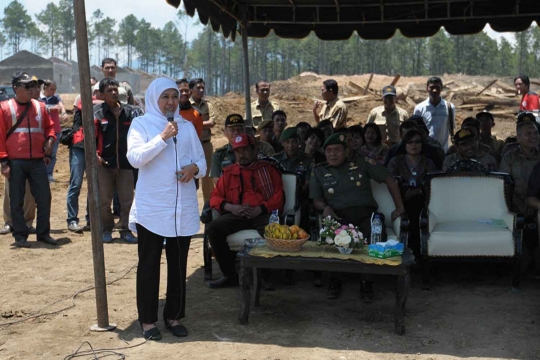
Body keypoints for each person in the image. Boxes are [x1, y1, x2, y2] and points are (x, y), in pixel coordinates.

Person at [127, 77, 206, 340]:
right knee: (149, 264)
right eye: (165, 97)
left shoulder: (187, 126)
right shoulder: (141, 124)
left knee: (179, 264)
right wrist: (162, 137)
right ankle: (148, 321)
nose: (171, 102)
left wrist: (193, 169)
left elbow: (202, 162)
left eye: (174, 96)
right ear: (154, 99)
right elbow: (135, 158)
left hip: (181, 206)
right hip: (152, 208)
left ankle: (173, 315)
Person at [310, 133, 405, 299]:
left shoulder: (362, 162)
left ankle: (367, 282)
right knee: (334, 234)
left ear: (347, 151)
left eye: (337, 150)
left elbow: (390, 180)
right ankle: (335, 280)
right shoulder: (319, 171)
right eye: (329, 150)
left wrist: (400, 208)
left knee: (375, 234)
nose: (332, 154)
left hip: (366, 214)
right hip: (339, 216)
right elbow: (316, 199)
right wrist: (324, 207)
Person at [207, 134, 284, 288]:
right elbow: (214, 198)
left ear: (255, 149)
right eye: (237, 151)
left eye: (245, 150)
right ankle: (230, 275)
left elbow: (279, 197)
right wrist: (231, 208)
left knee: (273, 231)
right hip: (237, 214)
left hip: (262, 213)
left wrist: (260, 209)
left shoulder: (268, 169)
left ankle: (265, 277)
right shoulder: (228, 173)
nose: (241, 154)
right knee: (214, 229)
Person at [0, 72, 57, 248]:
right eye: (27, 86)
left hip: (38, 161)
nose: (31, 89)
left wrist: (50, 142)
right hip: (15, 162)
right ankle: (20, 236)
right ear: (16, 88)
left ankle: (43, 234)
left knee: (44, 197)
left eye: (32, 86)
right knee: (16, 200)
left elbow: (50, 129)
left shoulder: (40, 107)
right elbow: (0, 136)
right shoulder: (4, 108)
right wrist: (3, 162)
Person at [94, 77, 143, 243]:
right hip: (104, 165)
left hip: (125, 164)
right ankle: (106, 229)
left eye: (115, 89)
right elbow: (88, 138)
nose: (114, 93)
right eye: (109, 90)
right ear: (101, 94)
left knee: (127, 200)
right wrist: (96, 156)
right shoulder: (97, 113)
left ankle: (126, 230)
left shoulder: (130, 112)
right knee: (104, 201)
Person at [387, 129, 436, 257]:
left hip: (423, 201)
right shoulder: (396, 162)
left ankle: (417, 255)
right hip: (400, 200)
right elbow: (391, 182)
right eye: (410, 142)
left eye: (417, 142)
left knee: (417, 206)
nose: (414, 145)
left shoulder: (428, 162)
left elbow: (432, 184)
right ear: (404, 144)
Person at [210, 114, 275, 184]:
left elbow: (272, 172)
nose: (236, 132)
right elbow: (218, 182)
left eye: (240, 129)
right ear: (225, 132)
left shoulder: (259, 149)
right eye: (232, 129)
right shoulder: (219, 155)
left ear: (244, 130)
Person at [189, 78, 216, 203]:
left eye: (202, 88)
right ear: (191, 90)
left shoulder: (208, 105)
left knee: (207, 176)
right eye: (198, 88)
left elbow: (212, 123)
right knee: (189, 176)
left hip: (205, 145)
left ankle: (208, 207)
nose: (201, 90)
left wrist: (194, 122)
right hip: (189, 146)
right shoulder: (185, 105)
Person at [414, 77, 456, 151]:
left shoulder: (449, 108)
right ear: (427, 88)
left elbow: (451, 129)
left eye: (437, 87)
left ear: (441, 88)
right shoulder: (419, 108)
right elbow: (417, 131)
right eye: (432, 87)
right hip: (426, 151)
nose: (434, 90)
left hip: (443, 151)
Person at [40, 80, 68, 182]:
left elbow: (61, 105)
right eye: (51, 89)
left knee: (52, 153)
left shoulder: (56, 97)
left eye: (54, 89)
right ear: (45, 88)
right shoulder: (39, 98)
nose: (53, 91)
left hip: (55, 130)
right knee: (40, 153)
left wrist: (63, 112)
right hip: (41, 130)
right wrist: (50, 108)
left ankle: (49, 174)